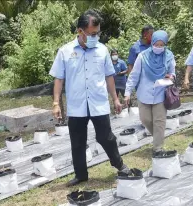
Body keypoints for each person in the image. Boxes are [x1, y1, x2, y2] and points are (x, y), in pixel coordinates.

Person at [49, 9, 131, 187]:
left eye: (98, 33)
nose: (97, 36)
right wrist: (56, 103)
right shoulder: (65, 52)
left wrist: (115, 99)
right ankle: (81, 175)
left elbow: (110, 76)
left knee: (106, 137)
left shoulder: (102, 50)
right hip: (77, 105)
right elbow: (59, 79)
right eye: (93, 33)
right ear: (80, 31)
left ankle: (119, 165)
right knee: (77, 142)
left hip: (98, 103)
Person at [124, 30, 176, 153]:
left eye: (161, 45)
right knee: (145, 119)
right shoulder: (143, 56)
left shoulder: (169, 56)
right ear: (152, 43)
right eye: (156, 44)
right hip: (144, 94)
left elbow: (172, 72)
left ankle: (158, 147)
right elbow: (134, 75)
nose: (158, 47)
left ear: (165, 44)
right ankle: (158, 137)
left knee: (159, 121)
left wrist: (171, 77)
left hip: (160, 93)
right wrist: (127, 93)